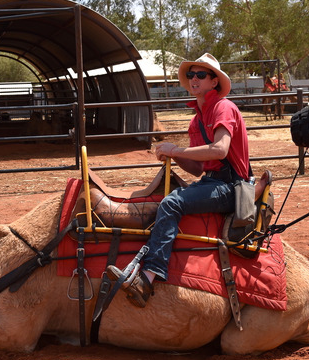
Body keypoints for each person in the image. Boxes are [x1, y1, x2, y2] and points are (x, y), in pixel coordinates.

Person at [106, 52, 251, 307]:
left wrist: (176, 151)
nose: (194, 79)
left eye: (201, 75)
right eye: (191, 75)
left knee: (172, 203)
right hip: (212, 181)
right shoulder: (197, 119)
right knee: (166, 197)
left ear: (214, 81)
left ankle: (148, 278)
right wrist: (170, 156)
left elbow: (220, 150)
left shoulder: (223, 107)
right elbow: (197, 169)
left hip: (231, 186)